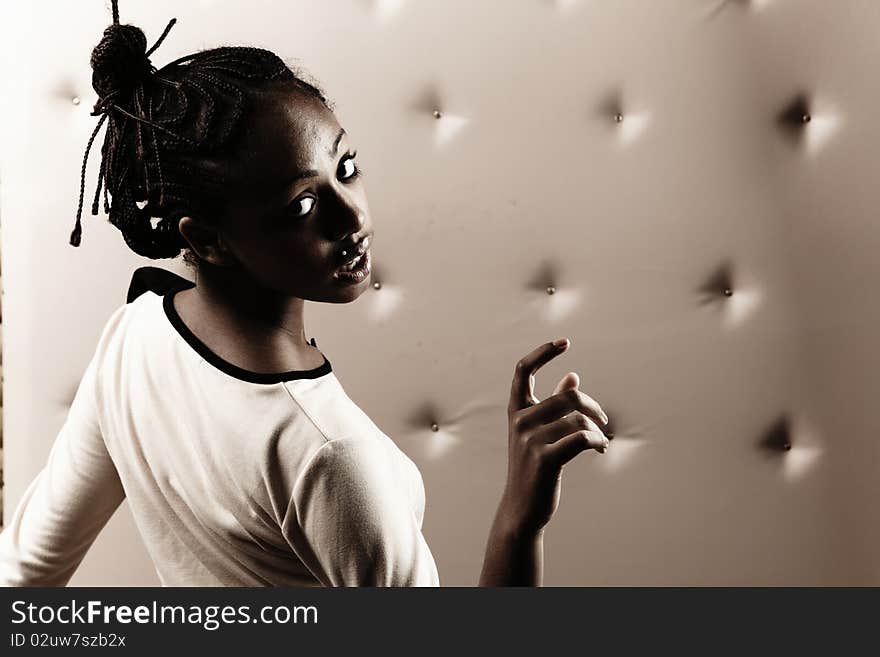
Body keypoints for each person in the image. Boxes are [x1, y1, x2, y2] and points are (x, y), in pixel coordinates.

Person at [0, 1, 611, 587]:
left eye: (345, 167)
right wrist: (518, 521)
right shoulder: (327, 454)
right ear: (207, 240)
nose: (353, 220)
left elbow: (24, 573)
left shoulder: (132, 339)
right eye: (303, 205)